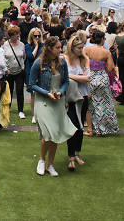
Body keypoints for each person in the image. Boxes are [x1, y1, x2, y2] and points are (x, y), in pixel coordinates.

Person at [28, 35, 75, 176]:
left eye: (61, 47)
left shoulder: (62, 63)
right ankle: (41, 160)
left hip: (58, 101)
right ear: (49, 48)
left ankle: (50, 165)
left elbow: (66, 81)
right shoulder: (38, 63)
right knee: (47, 133)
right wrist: (46, 93)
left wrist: (60, 92)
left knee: (55, 134)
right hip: (43, 101)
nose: (60, 50)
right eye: (58, 47)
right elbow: (31, 84)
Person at [85, 29, 119, 136]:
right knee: (103, 105)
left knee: (91, 105)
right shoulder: (106, 52)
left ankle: (91, 129)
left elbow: (83, 64)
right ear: (103, 39)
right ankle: (102, 129)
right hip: (102, 77)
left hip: (90, 77)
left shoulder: (87, 50)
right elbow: (110, 68)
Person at [65, 33, 90, 168]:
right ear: (72, 48)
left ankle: (77, 153)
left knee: (80, 127)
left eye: (82, 47)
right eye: (79, 48)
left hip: (83, 96)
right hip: (70, 98)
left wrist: (71, 76)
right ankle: (71, 157)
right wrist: (77, 76)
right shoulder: (65, 59)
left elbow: (87, 78)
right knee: (72, 125)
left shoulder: (84, 60)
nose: (81, 50)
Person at [3, 26, 27, 120]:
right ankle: (7, 108)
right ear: (11, 35)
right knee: (8, 91)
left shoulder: (21, 45)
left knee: (20, 90)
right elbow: (3, 57)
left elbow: (23, 57)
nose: (18, 35)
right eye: (16, 34)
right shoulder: (5, 45)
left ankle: (20, 110)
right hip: (9, 72)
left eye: (18, 33)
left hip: (19, 71)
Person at [25, 27, 45, 124]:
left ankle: (41, 114)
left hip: (42, 72)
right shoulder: (28, 46)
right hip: (31, 72)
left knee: (42, 94)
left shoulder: (44, 46)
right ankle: (33, 115)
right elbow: (31, 57)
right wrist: (36, 46)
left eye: (39, 35)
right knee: (33, 94)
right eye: (35, 36)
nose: (37, 37)